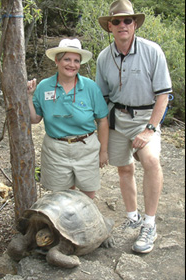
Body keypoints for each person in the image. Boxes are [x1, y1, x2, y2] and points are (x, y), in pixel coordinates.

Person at [96, 0, 172, 254]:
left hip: (145, 116)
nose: (122, 25)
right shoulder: (103, 57)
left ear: (134, 24)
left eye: (127, 20)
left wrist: (150, 128)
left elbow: (163, 96)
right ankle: (133, 217)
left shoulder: (152, 51)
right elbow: (102, 99)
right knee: (124, 168)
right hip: (117, 117)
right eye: (116, 21)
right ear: (109, 26)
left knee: (150, 160)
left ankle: (149, 225)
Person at [27, 38, 109, 199]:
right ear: (57, 60)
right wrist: (29, 96)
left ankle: (86, 224)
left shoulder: (90, 87)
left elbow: (102, 120)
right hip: (55, 150)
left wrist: (103, 151)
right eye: (67, 59)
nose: (72, 64)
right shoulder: (44, 87)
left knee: (87, 196)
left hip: (86, 148)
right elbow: (35, 119)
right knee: (62, 197)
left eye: (76, 61)